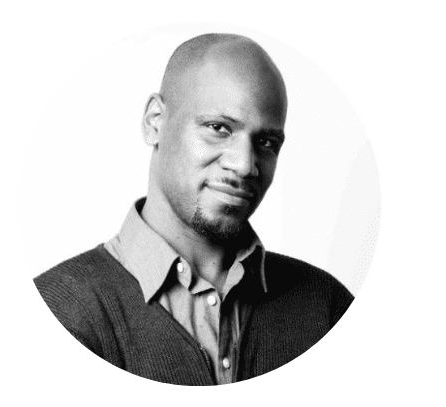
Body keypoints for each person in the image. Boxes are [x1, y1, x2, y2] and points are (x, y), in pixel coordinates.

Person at [34, 33, 354, 386]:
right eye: (219, 128)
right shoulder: (57, 313)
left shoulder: (327, 308)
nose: (245, 165)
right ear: (155, 121)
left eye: (266, 142)